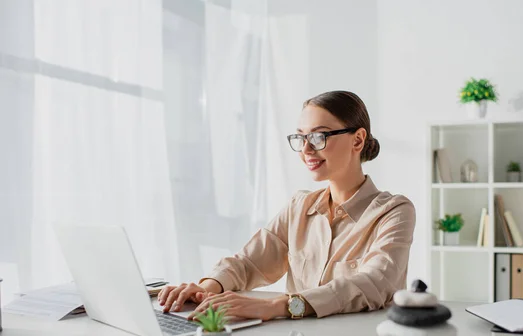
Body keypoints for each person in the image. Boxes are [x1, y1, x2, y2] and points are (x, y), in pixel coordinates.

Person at [158, 90, 416, 321]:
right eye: (301, 137)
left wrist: (279, 306)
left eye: (318, 137)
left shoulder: (393, 211)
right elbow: (249, 263)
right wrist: (208, 287)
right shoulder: (299, 207)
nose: (306, 149)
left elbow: (375, 283)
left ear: (357, 140)